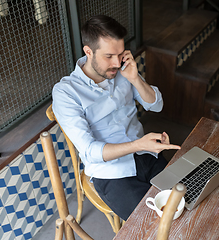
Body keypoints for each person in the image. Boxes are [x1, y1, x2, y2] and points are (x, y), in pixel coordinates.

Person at [52, 15, 180, 220]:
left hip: (147, 156)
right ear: (88, 51)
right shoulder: (66, 92)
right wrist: (139, 145)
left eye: (120, 54)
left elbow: (156, 105)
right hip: (111, 174)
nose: (116, 62)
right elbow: (89, 151)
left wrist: (135, 78)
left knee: (186, 200)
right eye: (109, 56)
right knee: (152, 225)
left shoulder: (123, 70)